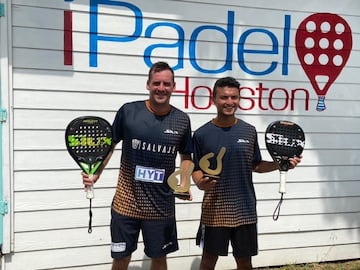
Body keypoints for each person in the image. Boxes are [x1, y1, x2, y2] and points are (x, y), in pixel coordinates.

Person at [82, 61, 193, 270]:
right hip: (126, 204)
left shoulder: (181, 120)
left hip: (161, 208)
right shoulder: (128, 111)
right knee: (121, 259)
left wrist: (184, 182)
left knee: (159, 260)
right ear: (148, 84)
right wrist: (95, 173)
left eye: (166, 84)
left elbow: (186, 154)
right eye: (157, 83)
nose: (161, 88)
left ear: (174, 87)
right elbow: (110, 146)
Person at [191, 76, 302, 270]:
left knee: (245, 262)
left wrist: (281, 164)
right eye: (224, 97)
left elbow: (256, 165)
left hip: (245, 210)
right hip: (214, 211)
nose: (229, 102)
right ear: (214, 99)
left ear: (239, 99)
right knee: (208, 261)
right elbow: (196, 170)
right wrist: (201, 183)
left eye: (234, 97)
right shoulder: (201, 134)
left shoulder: (249, 131)